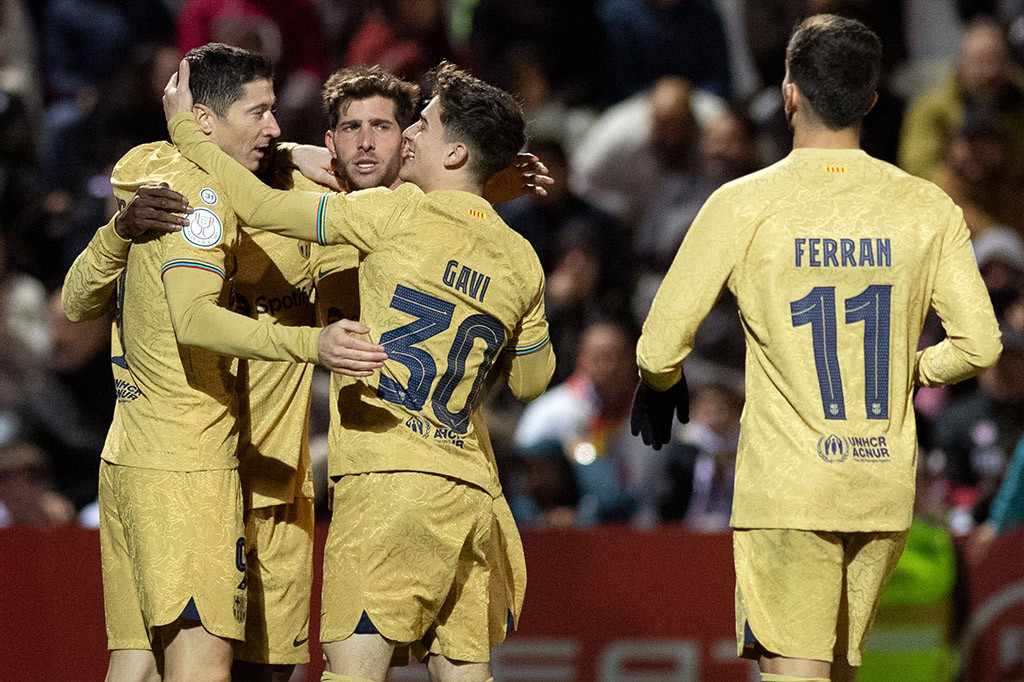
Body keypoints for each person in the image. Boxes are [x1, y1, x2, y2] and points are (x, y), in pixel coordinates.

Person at [632, 14, 1001, 682]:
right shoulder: (926, 206)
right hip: (880, 488)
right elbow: (979, 346)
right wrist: (912, 369)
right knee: (837, 670)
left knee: (795, 672)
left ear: (790, 92)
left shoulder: (742, 204)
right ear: (870, 100)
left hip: (789, 488)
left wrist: (660, 388)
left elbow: (659, 350)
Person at [164, 59, 555, 681]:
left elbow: (259, 206)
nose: (404, 137)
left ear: (452, 151)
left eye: (416, 126)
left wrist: (187, 129)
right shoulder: (523, 258)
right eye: (354, 128)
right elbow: (531, 382)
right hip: (471, 490)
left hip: (386, 481)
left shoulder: (390, 214)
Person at [61, 44, 386, 682]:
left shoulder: (167, 178)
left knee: (146, 664)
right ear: (204, 119)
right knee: (197, 664)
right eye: (258, 112)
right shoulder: (191, 198)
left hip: (249, 479)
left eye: (380, 127)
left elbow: (77, 301)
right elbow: (186, 313)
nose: (274, 127)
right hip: (192, 465)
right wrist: (312, 344)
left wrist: (287, 156)